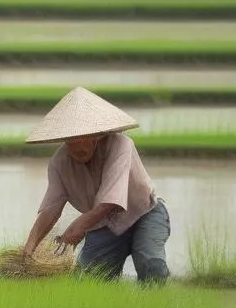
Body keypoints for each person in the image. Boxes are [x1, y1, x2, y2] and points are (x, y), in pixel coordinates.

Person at [22, 86, 170, 281]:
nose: (78, 146)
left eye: (84, 137)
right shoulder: (59, 163)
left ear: (97, 135)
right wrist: (29, 247)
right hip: (103, 224)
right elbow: (51, 209)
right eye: (71, 139)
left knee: (152, 266)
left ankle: (155, 304)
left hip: (144, 214)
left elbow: (110, 201)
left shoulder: (121, 145)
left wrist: (78, 227)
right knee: (88, 279)